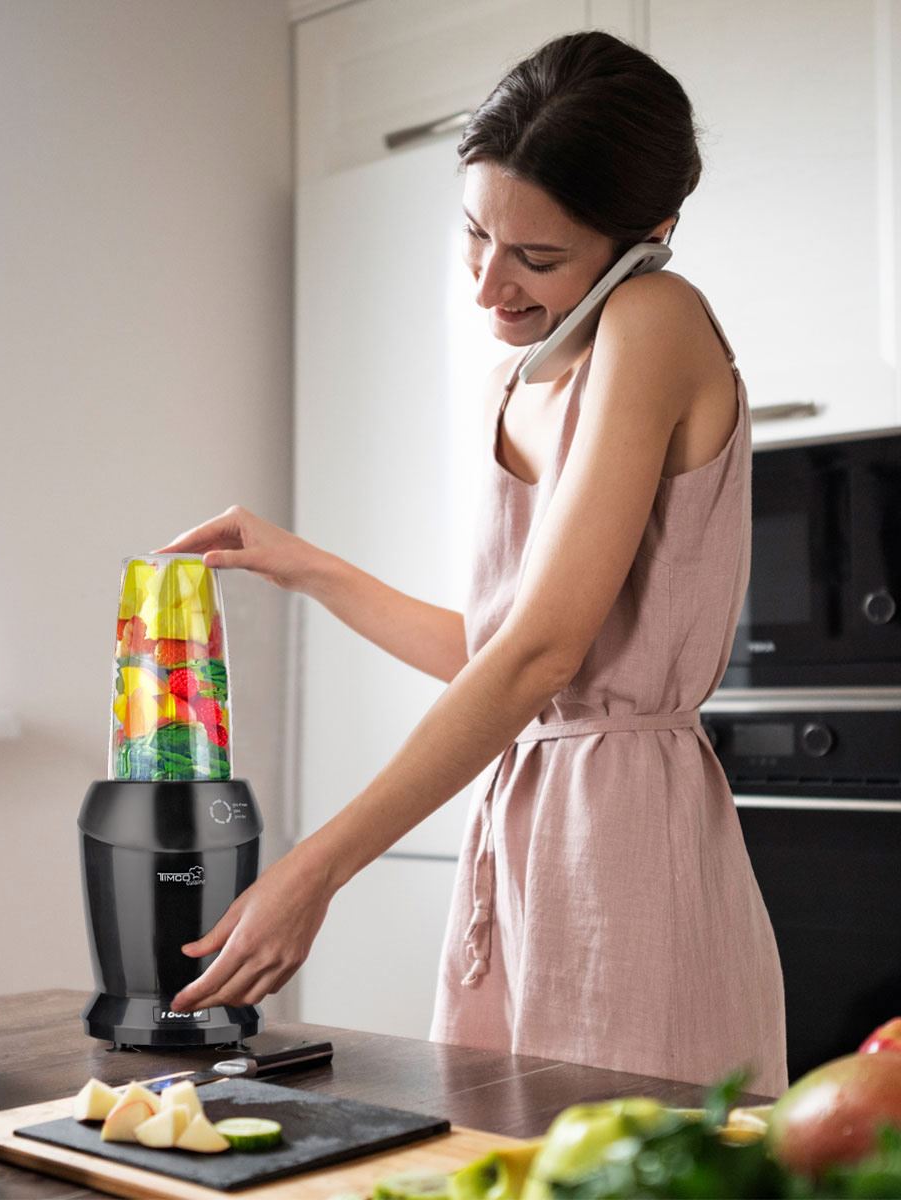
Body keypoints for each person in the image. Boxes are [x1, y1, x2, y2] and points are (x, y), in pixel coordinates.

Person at [157, 30, 787, 1095]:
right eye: (475, 233)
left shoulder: (655, 319)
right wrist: (303, 564)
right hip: (516, 835)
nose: (492, 284)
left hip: (628, 847)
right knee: (496, 1150)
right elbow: (500, 655)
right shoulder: (519, 376)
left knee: (627, 1153)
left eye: (537, 257)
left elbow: (541, 656)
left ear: (650, 237)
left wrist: (318, 867)